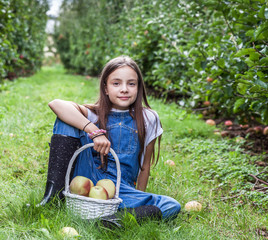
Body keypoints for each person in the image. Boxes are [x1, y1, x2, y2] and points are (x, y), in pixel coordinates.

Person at [37, 55, 181, 223]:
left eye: (131, 83)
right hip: (86, 176)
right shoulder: (94, 113)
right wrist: (94, 130)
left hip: (120, 189)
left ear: (139, 87)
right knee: (66, 119)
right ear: (105, 88)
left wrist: (139, 197)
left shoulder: (148, 118)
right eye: (116, 83)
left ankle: (113, 220)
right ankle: (53, 197)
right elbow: (56, 104)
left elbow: (145, 166)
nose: (124, 89)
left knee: (171, 205)